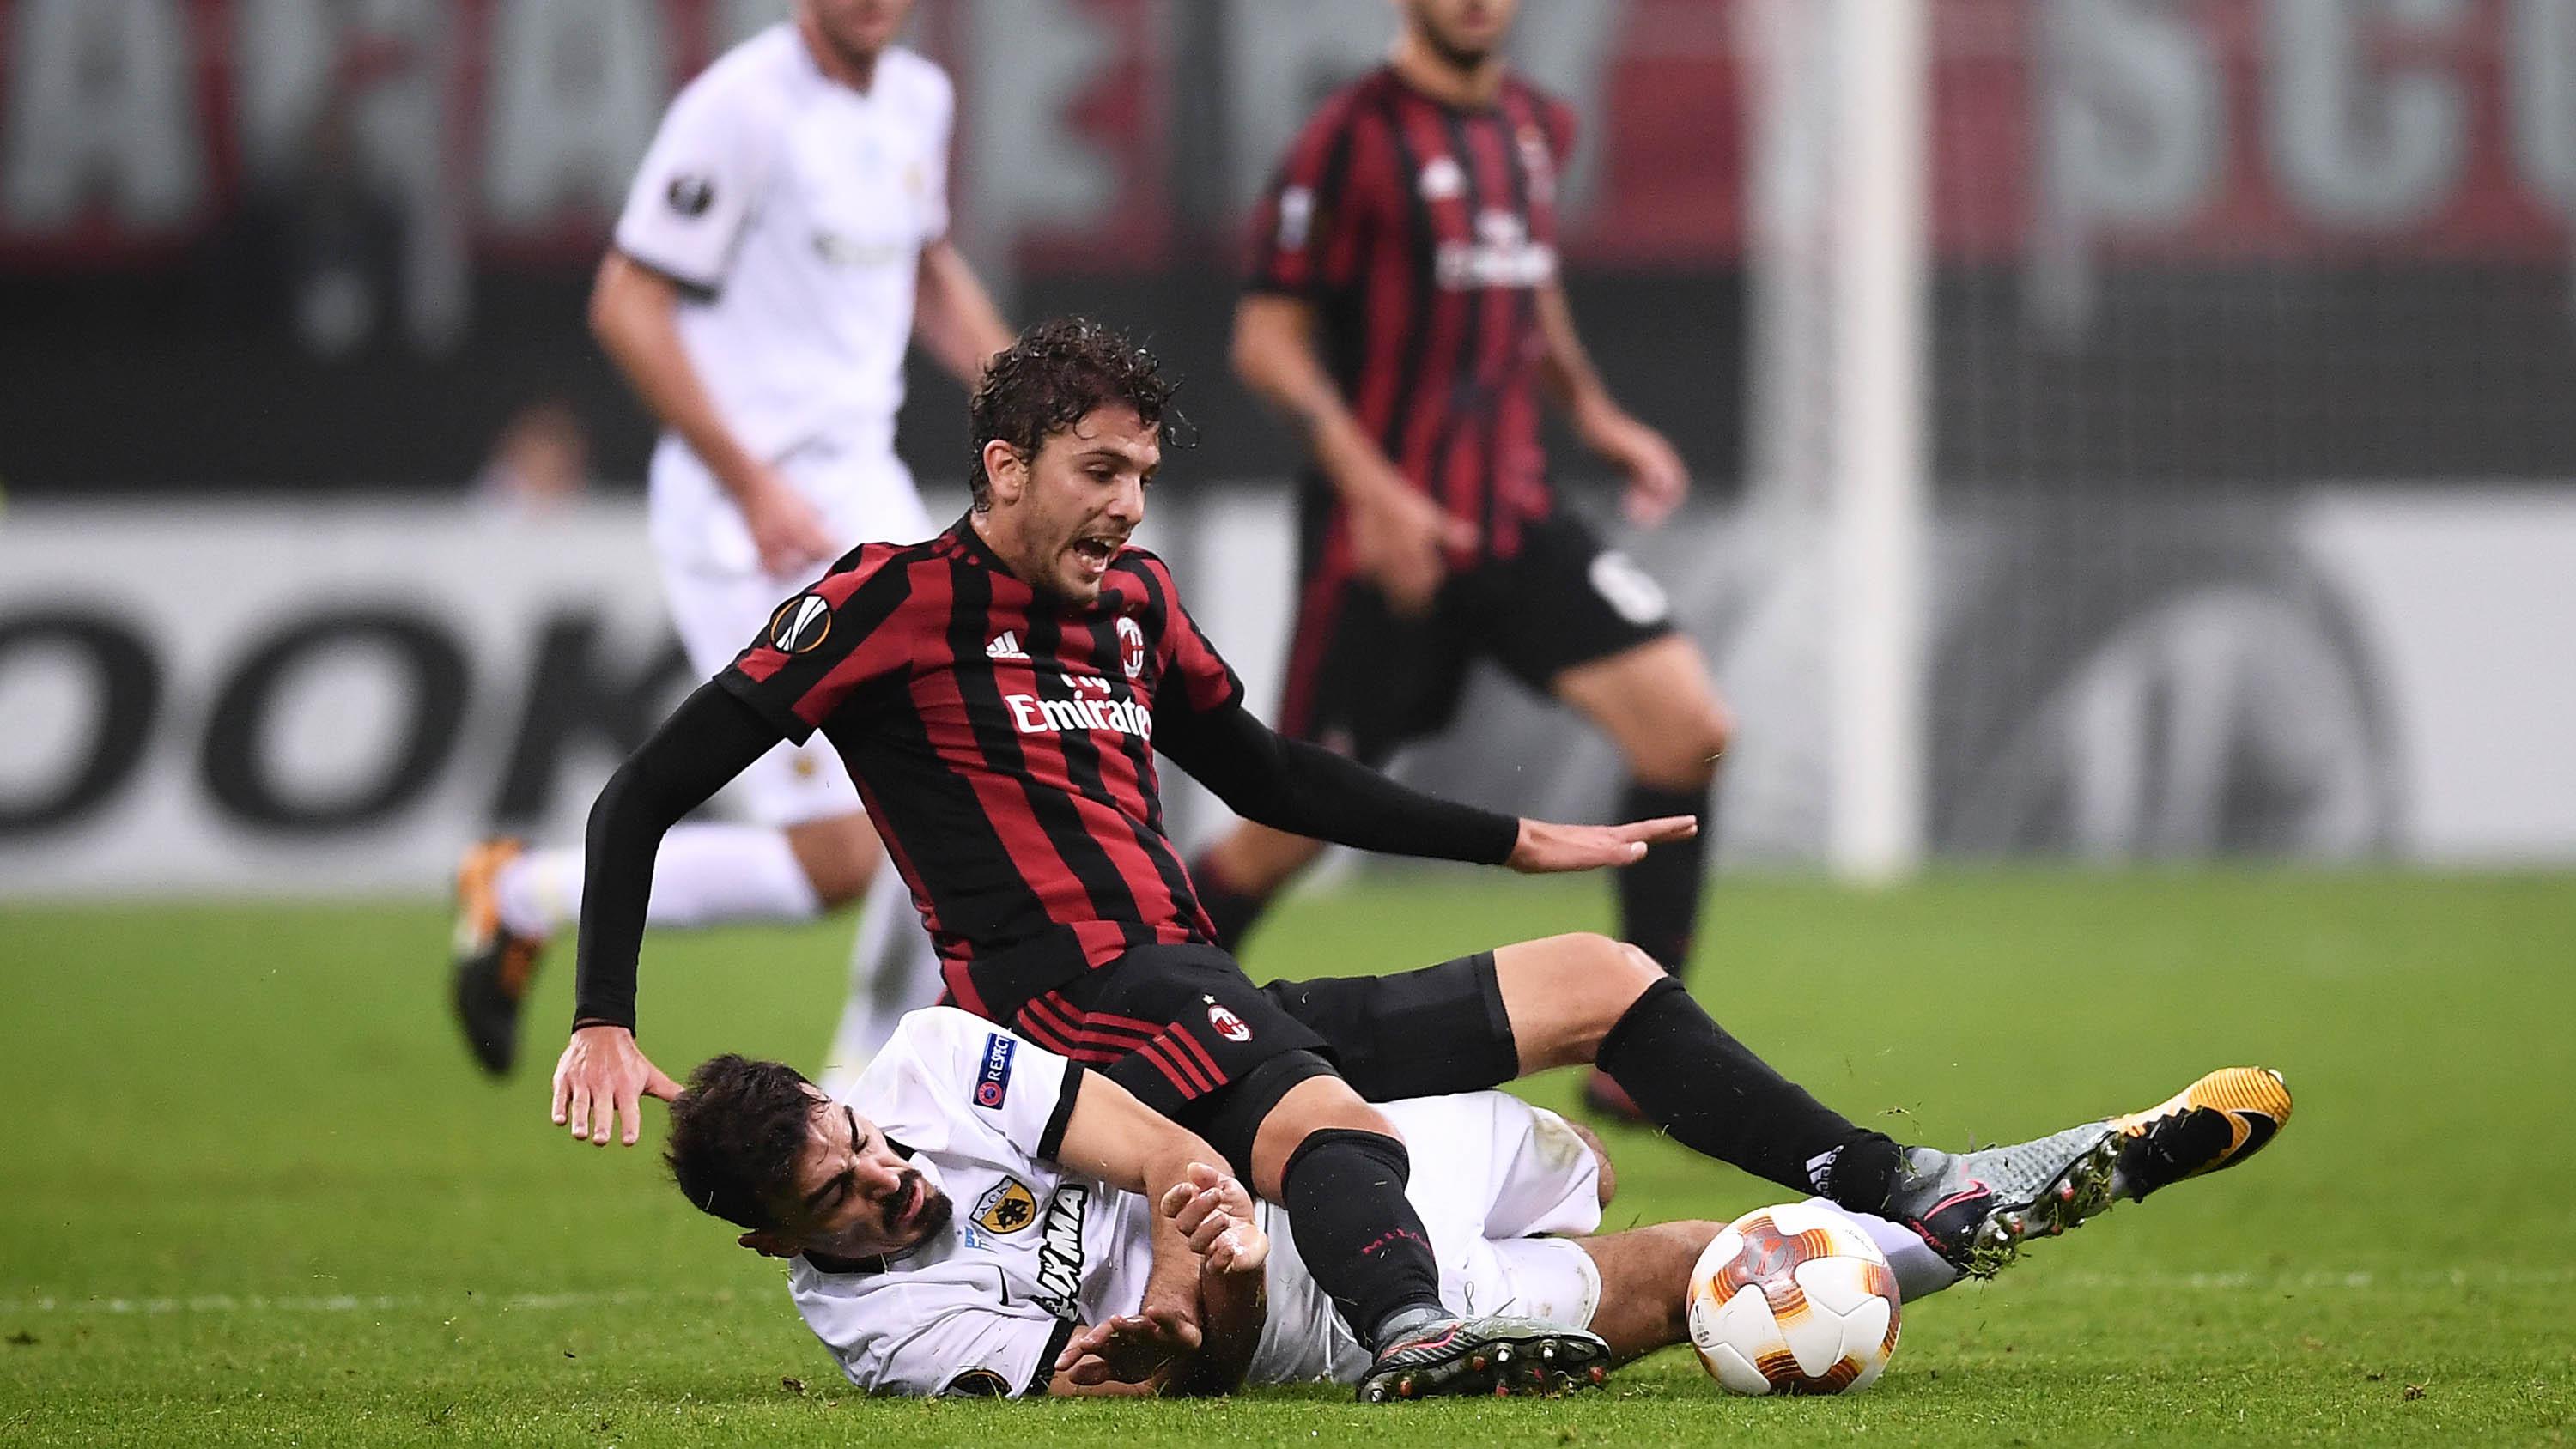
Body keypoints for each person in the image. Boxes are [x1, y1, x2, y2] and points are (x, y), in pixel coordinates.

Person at [545, 318, 2281, 1400]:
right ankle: (1414, 1339)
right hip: (1065, 1012)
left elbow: (1270, 766)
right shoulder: (880, 601)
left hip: (1190, 986)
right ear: (1001, 465)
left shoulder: (1131, 606)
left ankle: (1899, 1182)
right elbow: (644, 790)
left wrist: (1515, 839)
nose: (1128, 507)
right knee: (1320, 1129)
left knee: (1607, 983)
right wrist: (607, 1012)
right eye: (1097, 473)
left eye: (1144, 474)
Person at [662, 1009, 2295, 1398]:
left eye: (862, 1146)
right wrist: (1212, 1291)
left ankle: (1885, 1171)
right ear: (778, 1247)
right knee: (1699, 1286)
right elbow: (1182, 1369)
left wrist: (1200, 1212)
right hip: (1300, 1317)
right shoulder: (884, 1334)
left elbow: (1166, 1136)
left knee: (1583, 1056)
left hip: (1330, 1159)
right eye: (845, 1204)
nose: (888, 1184)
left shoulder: (935, 1058)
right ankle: (2046, 1181)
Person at [448, 0, 1014, 1090]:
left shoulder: (918, 98)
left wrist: (1026, 395)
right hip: (750, 519)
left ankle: (872, 1077)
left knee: (961, 767)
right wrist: (749, 480)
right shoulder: (738, 108)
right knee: (842, 859)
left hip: (868, 491)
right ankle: (519, 894)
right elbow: (626, 301)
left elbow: (927, 266)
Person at [1190, 0, 1732, 1123]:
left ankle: (1637, 1056)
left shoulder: (1535, 126)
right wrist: (1375, 489)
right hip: (1384, 539)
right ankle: (1149, 1022)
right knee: (1286, 828)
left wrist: (1594, 415)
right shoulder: (1347, 138)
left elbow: (1526, 288)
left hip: (1516, 511)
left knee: (1687, 726)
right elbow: (1265, 339)